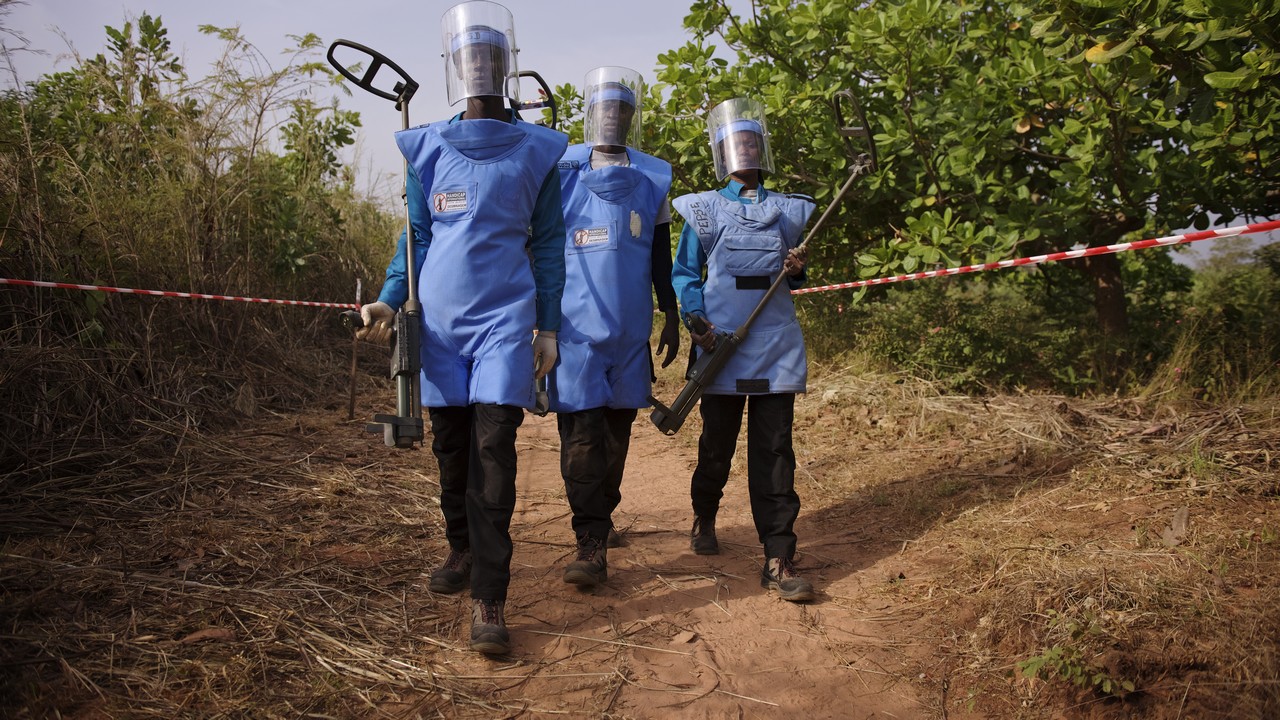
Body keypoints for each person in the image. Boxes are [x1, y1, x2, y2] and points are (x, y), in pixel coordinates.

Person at [356, 0, 568, 654]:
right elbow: (415, 240)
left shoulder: (539, 150)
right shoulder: (427, 147)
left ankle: (491, 598)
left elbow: (550, 245)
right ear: (455, 66)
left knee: (493, 456)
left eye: (489, 57)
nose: (479, 66)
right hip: (440, 328)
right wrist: (390, 301)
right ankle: (460, 548)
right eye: (469, 57)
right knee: (451, 452)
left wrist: (548, 328)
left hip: (505, 324)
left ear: (506, 67)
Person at [670, 98, 817, 602]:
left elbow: (792, 279)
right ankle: (704, 514)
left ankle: (778, 555)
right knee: (716, 446)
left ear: (762, 148)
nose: (745, 150)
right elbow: (685, 274)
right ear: (722, 152)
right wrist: (698, 324)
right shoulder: (703, 210)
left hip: (774, 346)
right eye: (737, 143)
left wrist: (797, 269)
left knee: (774, 452)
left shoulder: (790, 212)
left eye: (753, 141)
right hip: (722, 349)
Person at [549, 67, 679, 589]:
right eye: (602, 108)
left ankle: (601, 513)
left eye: (620, 109)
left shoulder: (652, 177)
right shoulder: (559, 170)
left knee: (616, 434)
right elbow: (538, 249)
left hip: (630, 331)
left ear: (630, 116)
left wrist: (669, 313)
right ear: (590, 113)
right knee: (581, 435)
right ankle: (591, 539)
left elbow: (660, 255)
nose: (611, 117)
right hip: (575, 328)